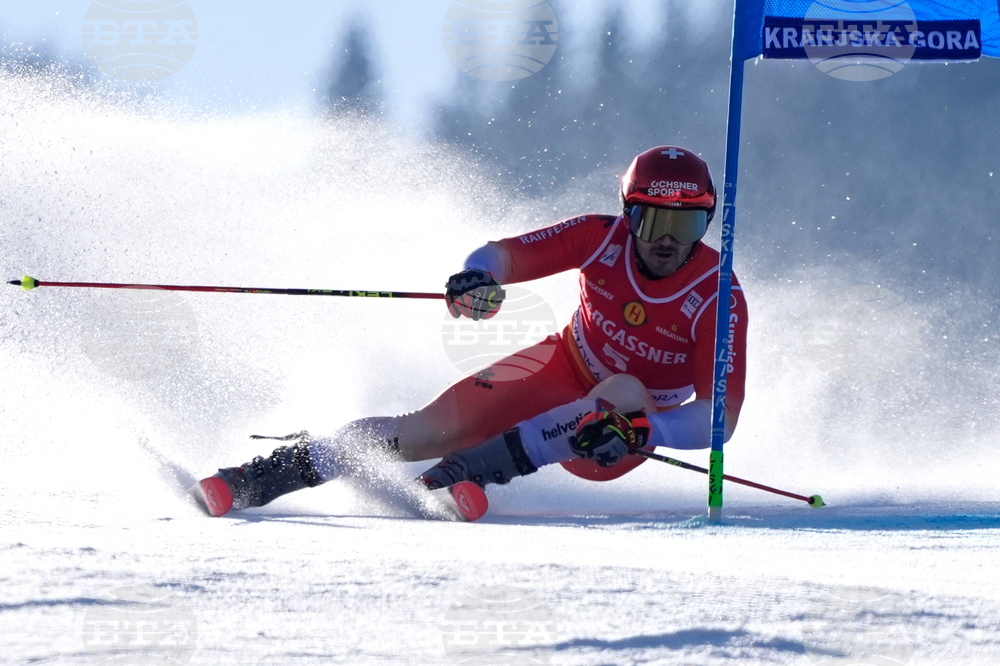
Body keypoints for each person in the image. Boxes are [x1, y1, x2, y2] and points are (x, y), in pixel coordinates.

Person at [192, 146, 748, 518]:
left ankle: (465, 475)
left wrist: (644, 433)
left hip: (616, 432)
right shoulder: (598, 237)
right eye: (654, 220)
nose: (669, 239)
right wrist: (478, 278)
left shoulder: (718, 298)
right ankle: (266, 477)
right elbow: (502, 255)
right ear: (628, 215)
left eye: (688, 223)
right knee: (428, 429)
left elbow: (719, 419)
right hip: (555, 366)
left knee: (622, 393)